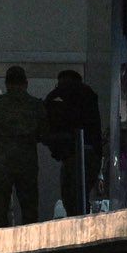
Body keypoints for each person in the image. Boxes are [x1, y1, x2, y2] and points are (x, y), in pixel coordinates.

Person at [0, 66, 47, 227]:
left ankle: (0, 249)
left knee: (0, 209)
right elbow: (44, 133)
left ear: (6, 83)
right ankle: (31, 249)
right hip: (27, 161)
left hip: (2, 162)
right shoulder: (35, 105)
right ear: (26, 83)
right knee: (29, 210)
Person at [43, 69, 104, 216]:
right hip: (91, 154)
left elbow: (48, 105)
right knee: (81, 197)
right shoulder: (89, 95)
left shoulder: (63, 94)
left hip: (73, 153)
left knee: (70, 197)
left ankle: (77, 227)